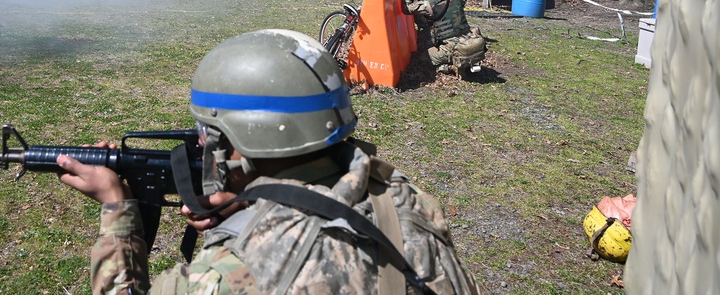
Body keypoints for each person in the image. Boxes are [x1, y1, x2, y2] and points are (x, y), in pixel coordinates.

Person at [54, 29, 480, 294]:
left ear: (239, 140)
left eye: (208, 133)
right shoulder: (405, 198)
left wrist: (117, 210)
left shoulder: (229, 275)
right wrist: (251, 207)